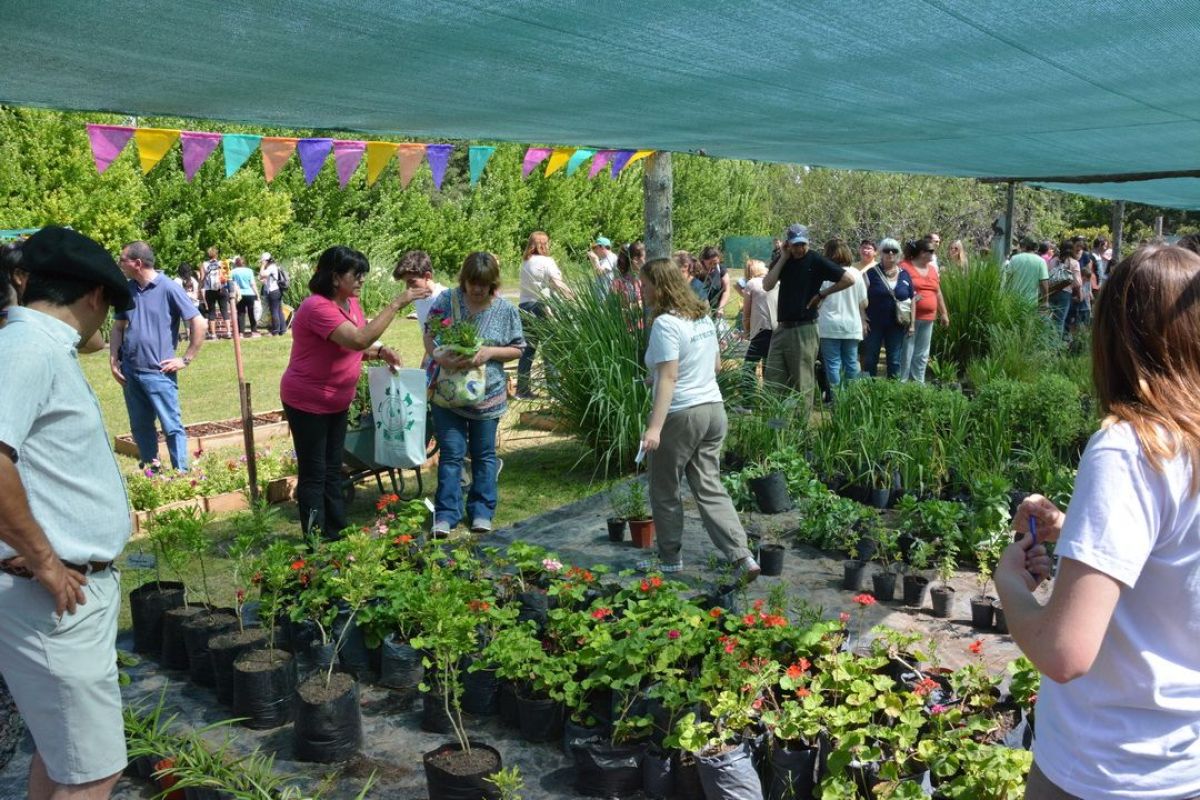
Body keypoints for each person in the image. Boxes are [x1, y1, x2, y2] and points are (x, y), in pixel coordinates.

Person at [995, 245, 1200, 799]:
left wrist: (1010, 585)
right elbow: (1178, 562)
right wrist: (1080, 529)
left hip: (1107, 767)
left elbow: (1065, 653)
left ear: (1114, 334)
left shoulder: (1131, 448)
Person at [0, 226, 136, 800]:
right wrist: (47, 562)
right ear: (96, 296)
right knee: (94, 772)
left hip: (61, 595)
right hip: (54, 599)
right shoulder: (29, 348)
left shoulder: (37, 346)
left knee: (64, 758)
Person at [281, 246, 428, 537]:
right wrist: (397, 304)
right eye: (356, 274)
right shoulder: (316, 307)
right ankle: (314, 539)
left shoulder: (351, 304)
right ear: (335, 277)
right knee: (314, 472)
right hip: (308, 402)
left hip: (336, 402)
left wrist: (380, 353)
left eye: (363, 274)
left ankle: (336, 533)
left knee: (332, 469)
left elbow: (351, 348)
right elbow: (358, 339)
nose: (362, 280)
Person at [636, 256, 760, 581]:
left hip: (682, 414)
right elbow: (715, 366)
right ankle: (743, 556)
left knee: (664, 489)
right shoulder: (701, 316)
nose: (642, 291)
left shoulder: (665, 323)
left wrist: (654, 428)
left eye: (645, 285)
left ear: (659, 286)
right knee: (709, 486)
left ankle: (669, 560)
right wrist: (657, 377)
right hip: (713, 411)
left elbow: (670, 377)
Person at [424, 252, 525, 535]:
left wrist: (490, 352)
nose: (478, 289)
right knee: (451, 454)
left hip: (488, 396)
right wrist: (438, 355)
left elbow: (518, 348)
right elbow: (429, 333)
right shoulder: (447, 301)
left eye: (484, 284)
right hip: (448, 396)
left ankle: (481, 511)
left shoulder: (505, 310)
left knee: (484, 455)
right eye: (473, 283)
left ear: (493, 283)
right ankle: (446, 515)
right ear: (464, 280)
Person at [110, 241, 206, 471]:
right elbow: (118, 327)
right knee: (140, 426)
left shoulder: (169, 288)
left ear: (137, 263)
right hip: (131, 372)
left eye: (122, 260)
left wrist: (185, 359)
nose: (119, 264)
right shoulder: (128, 289)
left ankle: (181, 475)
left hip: (159, 372)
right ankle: (153, 473)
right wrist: (114, 360)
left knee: (171, 426)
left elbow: (199, 322)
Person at [762, 224, 856, 407]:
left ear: (808, 242)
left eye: (802, 244)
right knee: (773, 377)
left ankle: (802, 422)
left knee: (802, 380)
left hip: (804, 328)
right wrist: (783, 257)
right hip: (782, 328)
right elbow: (767, 285)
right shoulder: (784, 259)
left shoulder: (816, 260)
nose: (799, 249)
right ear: (788, 244)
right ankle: (775, 420)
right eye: (795, 245)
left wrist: (822, 294)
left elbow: (848, 279)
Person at [515, 232, 572, 399]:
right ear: (544, 244)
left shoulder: (525, 262)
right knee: (550, 349)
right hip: (543, 306)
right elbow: (557, 283)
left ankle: (522, 390)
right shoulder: (547, 261)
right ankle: (554, 391)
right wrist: (572, 296)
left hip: (525, 306)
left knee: (527, 350)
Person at [860, 238, 915, 379]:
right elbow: (861, 298)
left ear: (898, 253)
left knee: (894, 361)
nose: (890, 253)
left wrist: (912, 324)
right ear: (880, 253)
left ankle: (893, 390)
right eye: (886, 250)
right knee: (870, 359)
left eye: (894, 250)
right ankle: (867, 388)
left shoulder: (905, 274)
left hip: (897, 324)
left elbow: (912, 299)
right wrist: (863, 319)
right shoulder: (870, 273)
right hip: (873, 324)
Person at [817, 239, 868, 389]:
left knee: (833, 364)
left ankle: (836, 396)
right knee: (851, 363)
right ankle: (851, 395)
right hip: (851, 325)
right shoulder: (856, 274)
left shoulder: (823, 274)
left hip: (828, 325)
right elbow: (864, 303)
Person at [898, 237, 949, 383]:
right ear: (921, 252)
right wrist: (911, 296)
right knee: (906, 351)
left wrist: (944, 313)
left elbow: (937, 292)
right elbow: (899, 288)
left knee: (922, 353)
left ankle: (918, 383)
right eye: (931, 251)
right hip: (910, 318)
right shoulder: (905, 266)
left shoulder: (932, 270)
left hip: (928, 318)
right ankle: (902, 382)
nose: (933, 253)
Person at [740, 259, 777, 381]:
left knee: (748, 368)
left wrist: (747, 331)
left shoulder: (752, 283)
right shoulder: (777, 282)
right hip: (778, 329)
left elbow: (746, 313)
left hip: (760, 330)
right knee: (770, 365)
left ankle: (748, 392)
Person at [1046, 239, 1079, 336]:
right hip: (1065, 293)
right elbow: (1078, 283)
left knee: (1048, 319)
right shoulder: (1074, 262)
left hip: (1051, 291)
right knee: (1060, 321)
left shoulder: (1053, 260)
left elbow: (1047, 276)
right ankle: (1055, 344)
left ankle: (1045, 341)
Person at [1006, 236, 1050, 306]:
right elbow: (1044, 283)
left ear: (1024, 246)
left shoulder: (1014, 259)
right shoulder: (1041, 261)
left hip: (1013, 301)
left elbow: (1008, 279)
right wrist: (1045, 301)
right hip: (1030, 303)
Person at [200, 246, 231, 339]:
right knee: (224, 310)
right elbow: (227, 276)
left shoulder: (204, 264)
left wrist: (199, 288)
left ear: (208, 255)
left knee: (211, 312)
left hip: (209, 290)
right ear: (216, 254)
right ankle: (229, 332)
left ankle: (213, 334)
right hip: (222, 289)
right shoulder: (222, 263)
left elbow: (202, 278)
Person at [228, 256, 260, 337]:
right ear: (244, 263)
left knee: (240, 313)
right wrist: (257, 294)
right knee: (251, 313)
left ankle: (241, 333)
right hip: (250, 293)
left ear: (236, 263)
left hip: (239, 294)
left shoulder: (233, 272)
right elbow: (252, 284)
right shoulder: (249, 271)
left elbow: (231, 283)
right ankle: (254, 331)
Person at [258, 252, 286, 336]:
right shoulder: (273, 266)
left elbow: (262, 274)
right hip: (276, 291)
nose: (262, 262)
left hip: (273, 291)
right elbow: (262, 277)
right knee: (278, 310)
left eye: (262, 261)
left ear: (266, 260)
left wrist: (262, 265)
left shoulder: (271, 267)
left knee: (274, 311)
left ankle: (275, 331)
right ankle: (282, 330)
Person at [699, 245, 730, 318]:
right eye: (710, 263)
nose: (713, 266)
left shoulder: (721, 269)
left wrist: (720, 308)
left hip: (717, 310)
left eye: (715, 263)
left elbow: (726, 290)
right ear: (703, 260)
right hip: (700, 311)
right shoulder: (697, 271)